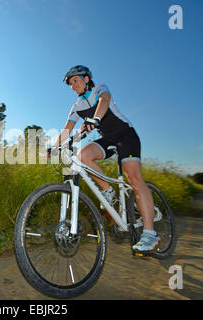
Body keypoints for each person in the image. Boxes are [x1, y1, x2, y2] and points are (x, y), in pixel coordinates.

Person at [53, 65, 160, 253]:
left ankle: (150, 234)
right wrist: (54, 147)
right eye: (70, 84)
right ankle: (107, 190)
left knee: (133, 178)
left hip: (126, 135)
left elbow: (104, 101)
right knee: (82, 156)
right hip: (108, 139)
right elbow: (67, 129)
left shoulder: (99, 89)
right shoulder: (77, 107)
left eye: (75, 81)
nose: (73, 86)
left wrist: (95, 120)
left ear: (86, 79)